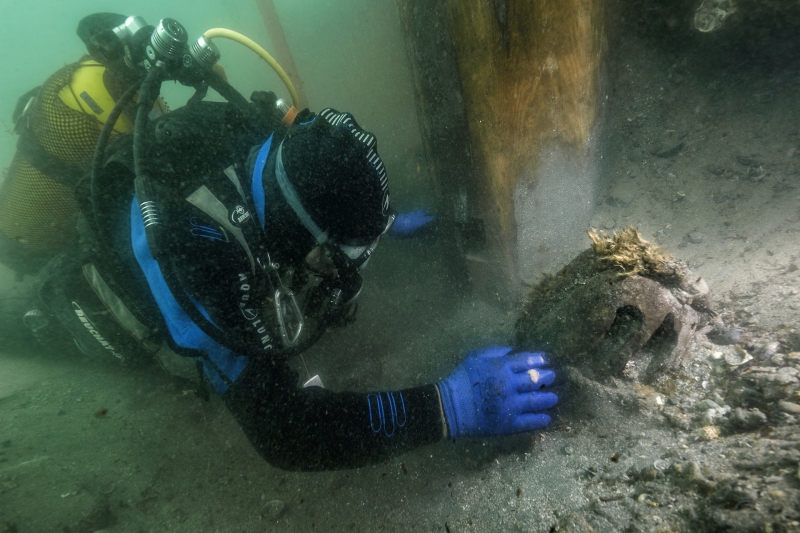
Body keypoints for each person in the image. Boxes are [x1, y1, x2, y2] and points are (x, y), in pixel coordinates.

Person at [20, 13, 560, 471]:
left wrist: (381, 221)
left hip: (185, 219)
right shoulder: (190, 257)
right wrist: (449, 405)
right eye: (336, 257)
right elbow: (285, 434)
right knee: (35, 328)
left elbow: (312, 182)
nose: (344, 277)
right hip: (100, 311)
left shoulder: (246, 131)